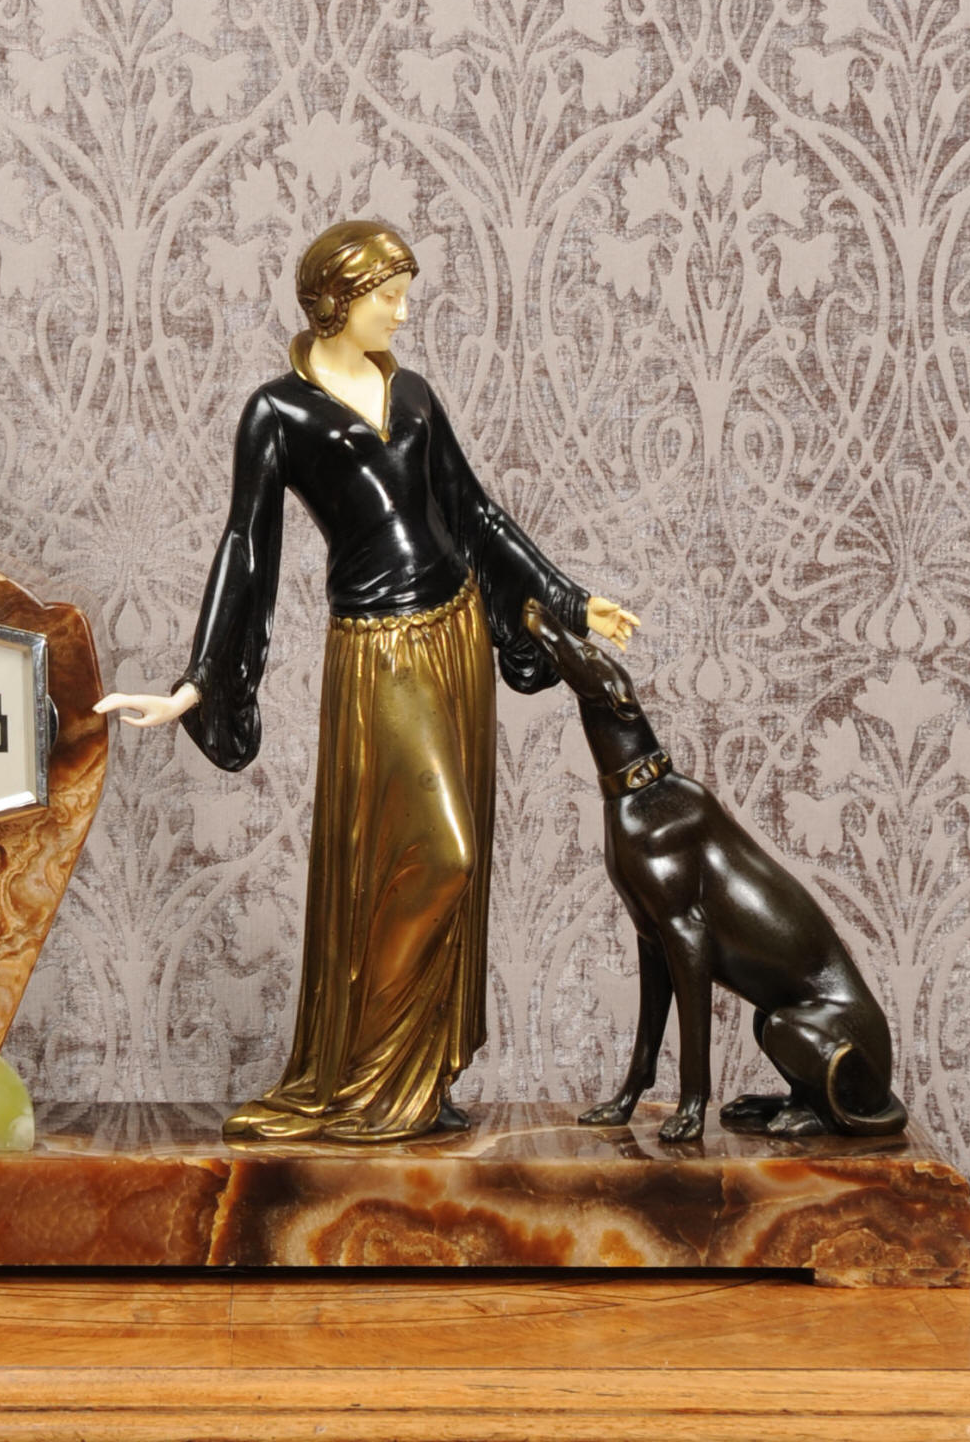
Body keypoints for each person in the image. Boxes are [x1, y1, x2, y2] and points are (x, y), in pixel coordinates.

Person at [96, 220, 638, 1142]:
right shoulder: (278, 413)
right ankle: (362, 1076)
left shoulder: (413, 392)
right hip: (379, 652)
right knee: (435, 855)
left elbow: (474, 512)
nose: (404, 312)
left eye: (403, 294)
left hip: (456, 634)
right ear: (336, 301)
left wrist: (571, 602)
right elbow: (245, 546)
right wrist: (196, 684)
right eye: (389, 296)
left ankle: (416, 1080)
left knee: (457, 862)